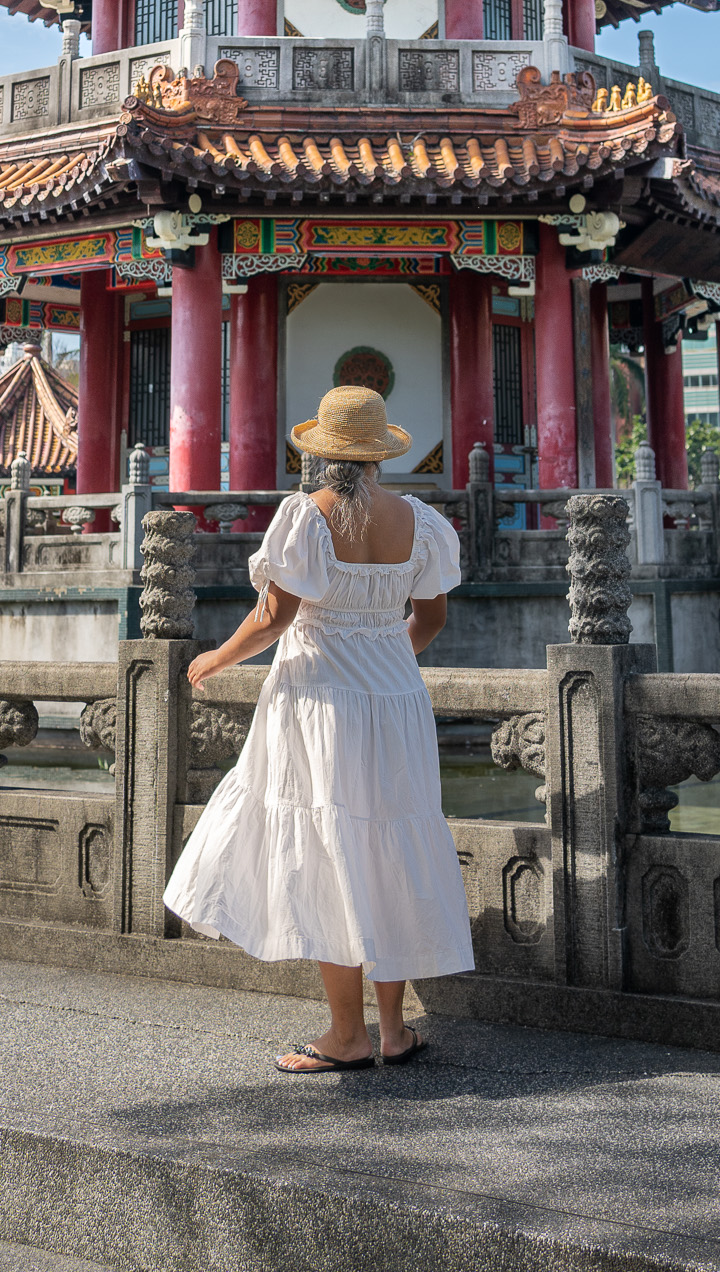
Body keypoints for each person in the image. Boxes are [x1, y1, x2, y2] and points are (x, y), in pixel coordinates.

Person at [163, 384, 474, 1072]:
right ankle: (391, 1031)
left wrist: (214, 657)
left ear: (319, 455)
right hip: (396, 701)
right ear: (377, 457)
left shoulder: (305, 516)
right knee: (387, 850)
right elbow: (431, 621)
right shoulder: (421, 522)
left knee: (333, 851)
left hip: (317, 701)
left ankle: (346, 1036)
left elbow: (274, 619)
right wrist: (382, 657)